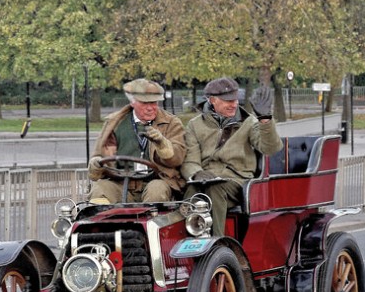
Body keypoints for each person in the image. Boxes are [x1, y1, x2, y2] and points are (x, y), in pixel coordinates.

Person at [181, 77, 283, 237]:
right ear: (212, 100)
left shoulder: (249, 122)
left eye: (235, 99)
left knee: (215, 188)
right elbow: (190, 160)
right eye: (228, 101)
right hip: (204, 179)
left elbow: (271, 148)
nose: (234, 104)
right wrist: (196, 173)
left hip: (237, 181)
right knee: (190, 191)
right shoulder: (195, 125)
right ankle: (185, 239)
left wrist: (265, 119)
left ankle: (216, 244)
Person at [87, 78, 186, 204]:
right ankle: (102, 223)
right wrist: (96, 164)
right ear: (132, 102)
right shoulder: (114, 123)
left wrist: (163, 144)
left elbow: (178, 159)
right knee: (100, 189)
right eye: (145, 103)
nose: (150, 108)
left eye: (154, 103)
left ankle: (150, 222)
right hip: (120, 183)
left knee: (156, 190)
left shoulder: (171, 123)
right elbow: (98, 159)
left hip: (156, 181)